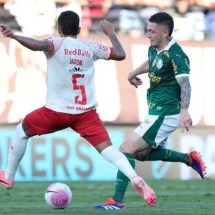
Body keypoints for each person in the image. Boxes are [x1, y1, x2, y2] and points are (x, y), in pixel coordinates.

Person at [0, 11, 156, 206]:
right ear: (79, 30)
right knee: (109, 151)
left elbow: (37, 45)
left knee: (21, 132)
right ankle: (135, 178)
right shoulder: (91, 47)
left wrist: (14, 35)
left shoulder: (55, 43)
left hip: (56, 112)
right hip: (85, 114)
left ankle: (9, 175)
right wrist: (111, 33)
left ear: (59, 29)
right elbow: (121, 54)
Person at [94, 12, 206, 210]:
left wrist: (185, 111)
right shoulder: (155, 48)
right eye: (148, 30)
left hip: (166, 113)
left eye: (152, 31)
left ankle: (117, 201)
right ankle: (189, 158)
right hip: (155, 111)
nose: (148, 35)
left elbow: (185, 84)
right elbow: (152, 63)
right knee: (141, 154)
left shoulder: (176, 54)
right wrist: (133, 73)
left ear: (165, 33)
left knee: (125, 149)